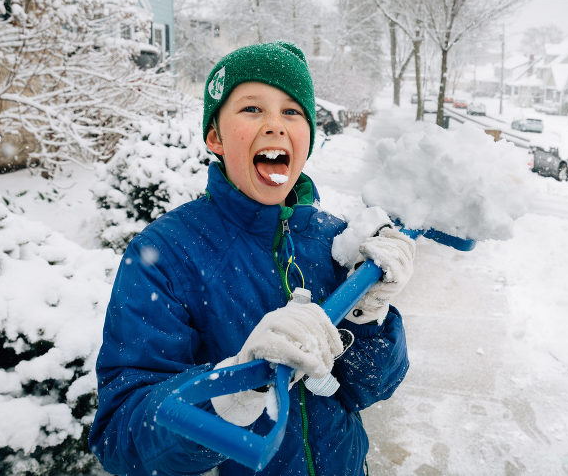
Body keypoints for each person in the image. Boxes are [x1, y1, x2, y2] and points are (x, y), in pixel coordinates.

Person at [88, 41, 413, 476]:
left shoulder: (337, 241)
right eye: (252, 109)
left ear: (308, 138)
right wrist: (226, 392)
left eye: (292, 112)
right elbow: (122, 438)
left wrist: (367, 313)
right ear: (215, 136)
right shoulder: (165, 254)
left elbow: (366, 389)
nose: (276, 125)